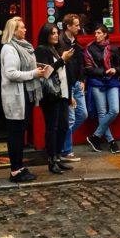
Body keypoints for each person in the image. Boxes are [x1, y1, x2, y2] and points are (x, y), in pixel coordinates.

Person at [0, 17, 46, 184]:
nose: (25, 30)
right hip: (15, 97)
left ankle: (19, 167)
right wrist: (34, 74)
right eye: (22, 27)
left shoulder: (23, 47)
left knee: (20, 133)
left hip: (25, 95)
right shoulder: (9, 49)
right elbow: (11, 73)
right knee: (15, 135)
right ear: (14, 30)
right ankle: (15, 171)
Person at [35, 22, 73, 175]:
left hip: (62, 94)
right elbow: (45, 72)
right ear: (45, 35)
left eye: (57, 32)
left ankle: (58, 157)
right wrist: (62, 60)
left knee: (63, 126)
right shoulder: (41, 50)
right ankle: (51, 160)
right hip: (50, 96)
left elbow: (64, 75)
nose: (56, 35)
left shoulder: (55, 50)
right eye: (52, 33)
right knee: (52, 127)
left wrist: (69, 95)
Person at [84, 24, 120, 154]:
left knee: (114, 110)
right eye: (95, 33)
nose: (96, 35)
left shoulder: (113, 49)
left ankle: (95, 136)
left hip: (112, 82)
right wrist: (104, 72)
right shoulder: (90, 49)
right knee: (101, 112)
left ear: (105, 34)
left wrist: (115, 70)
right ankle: (111, 141)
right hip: (97, 82)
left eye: (99, 33)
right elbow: (88, 69)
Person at [58, 13, 87, 162]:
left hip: (77, 83)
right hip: (67, 85)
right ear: (68, 26)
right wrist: (68, 94)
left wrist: (82, 79)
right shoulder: (61, 43)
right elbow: (63, 69)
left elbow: (80, 63)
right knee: (70, 118)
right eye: (76, 25)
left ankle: (62, 141)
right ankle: (66, 151)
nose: (79, 27)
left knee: (83, 114)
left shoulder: (76, 42)